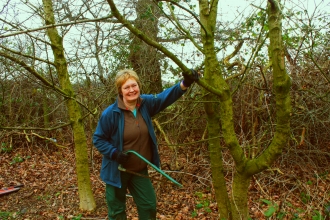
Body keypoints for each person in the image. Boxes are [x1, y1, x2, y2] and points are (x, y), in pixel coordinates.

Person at [93, 68, 198, 220]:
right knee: (117, 213)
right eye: (126, 87)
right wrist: (114, 153)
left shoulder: (145, 104)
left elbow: (164, 98)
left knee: (148, 207)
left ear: (138, 86)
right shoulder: (111, 113)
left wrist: (185, 83)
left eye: (134, 85)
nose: (131, 90)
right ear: (120, 91)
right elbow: (98, 139)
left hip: (139, 170)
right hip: (117, 171)